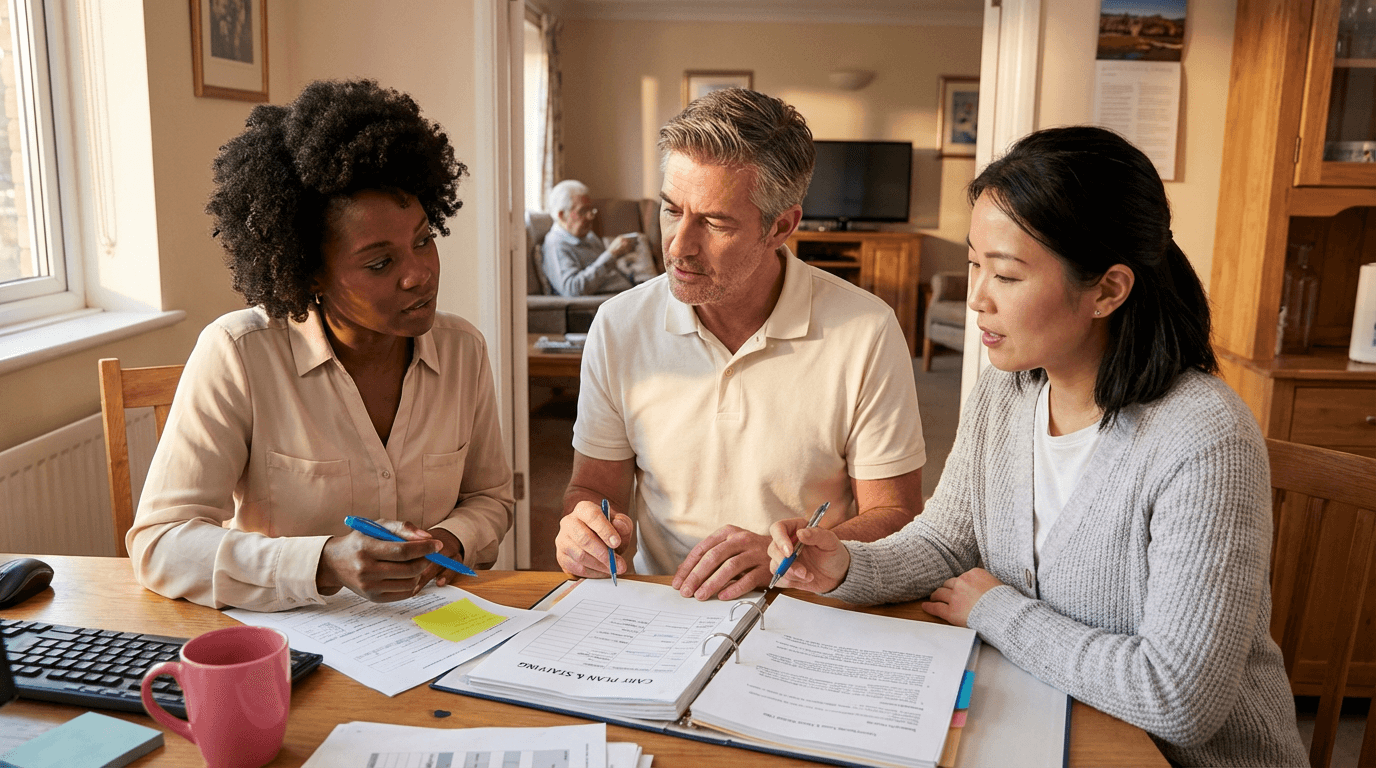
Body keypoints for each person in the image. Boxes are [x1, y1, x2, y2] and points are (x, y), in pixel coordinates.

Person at [767, 126, 1307, 767]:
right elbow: (946, 540)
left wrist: (997, 610)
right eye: (974, 264)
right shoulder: (1010, 392)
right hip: (1044, 723)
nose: (976, 299)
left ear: (1107, 289)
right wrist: (848, 566)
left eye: (1006, 275)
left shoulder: (1204, 438)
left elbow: (1180, 698)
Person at [128, 79, 514, 612]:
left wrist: (446, 544)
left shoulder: (463, 350)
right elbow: (159, 544)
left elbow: (491, 499)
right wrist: (323, 562)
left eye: (424, 240)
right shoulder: (239, 354)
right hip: (292, 647)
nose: (420, 275)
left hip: (433, 631)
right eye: (380, 263)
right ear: (308, 274)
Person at [554, 88, 926, 602]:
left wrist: (785, 556)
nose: (678, 246)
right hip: (664, 608)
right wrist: (588, 530)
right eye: (670, 210)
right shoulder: (618, 326)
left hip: (807, 608)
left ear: (781, 226)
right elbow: (593, 488)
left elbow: (897, 516)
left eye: (713, 221)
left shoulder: (868, 329)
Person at [542, 179, 639, 296]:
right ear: (562, 215)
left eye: (590, 209)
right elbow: (572, 289)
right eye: (583, 211)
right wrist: (611, 255)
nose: (590, 216)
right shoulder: (556, 244)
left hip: (626, 292)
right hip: (604, 302)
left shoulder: (589, 236)